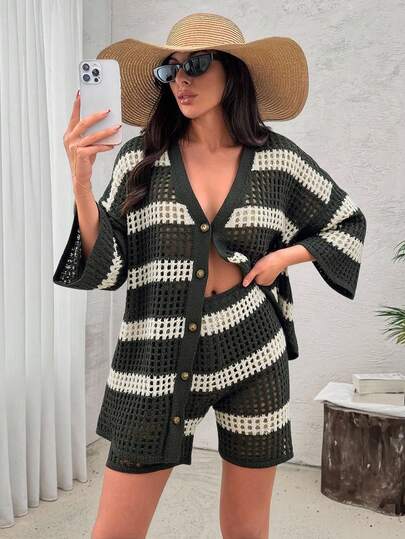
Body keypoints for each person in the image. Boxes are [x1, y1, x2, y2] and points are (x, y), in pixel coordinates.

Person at [55, 13, 367, 539]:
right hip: (156, 357)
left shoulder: (277, 160)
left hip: (253, 350)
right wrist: (82, 186)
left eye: (196, 64)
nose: (181, 79)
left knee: (246, 530)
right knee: (114, 532)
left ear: (233, 71)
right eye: (170, 69)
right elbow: (108, 265)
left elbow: (346, 221)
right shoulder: (141, 159)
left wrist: (282, 259)